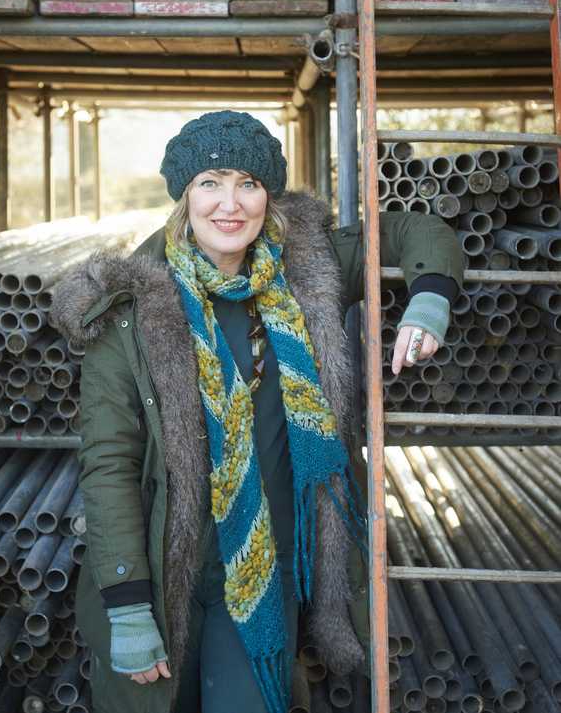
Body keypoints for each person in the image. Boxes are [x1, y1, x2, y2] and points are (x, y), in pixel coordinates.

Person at [51, 111, 464, 713]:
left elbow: (415, 230)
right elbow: (110, 462)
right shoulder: (130, 309)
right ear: (184, 193)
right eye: (211, 182)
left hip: (264, 572)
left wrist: (429, 301)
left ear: (269, 194)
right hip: (165, 573)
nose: (230, 203)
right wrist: (128, 603)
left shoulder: (310, 270)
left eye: (248, 183)